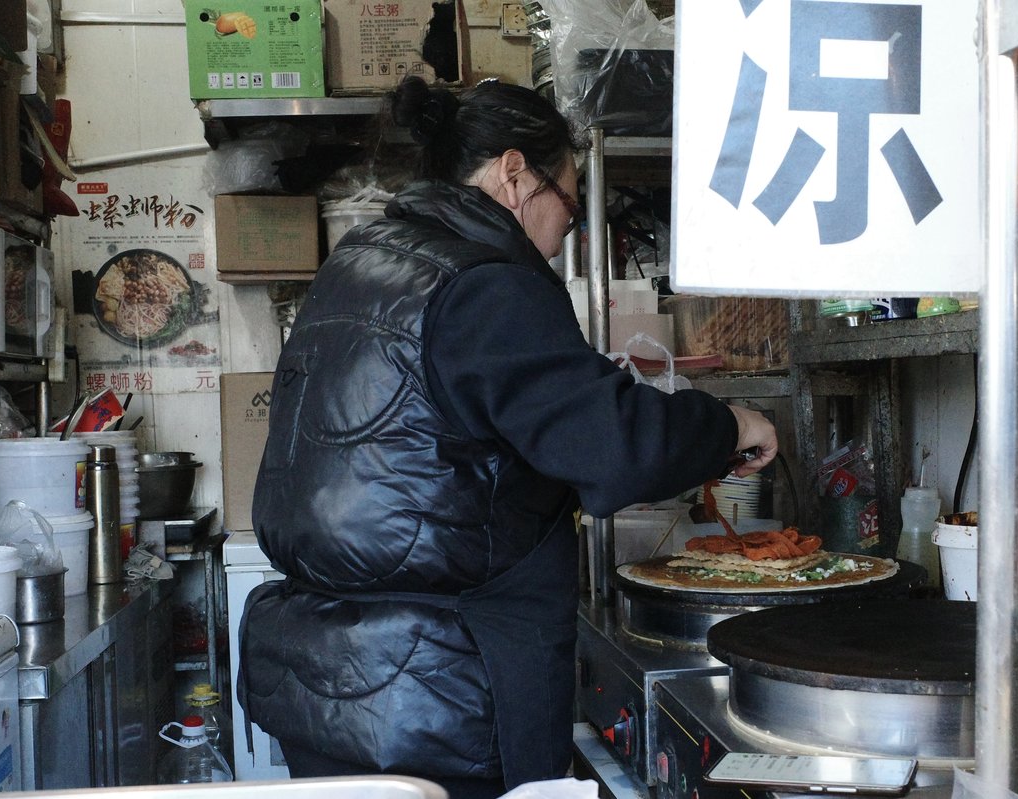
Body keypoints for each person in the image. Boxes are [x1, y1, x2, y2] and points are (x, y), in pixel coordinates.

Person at [237, 76, 778, 799]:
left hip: (329, 678)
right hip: (442, 690)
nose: (568, 233)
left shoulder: (359, 263)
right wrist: (731, 423)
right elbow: (611, 441)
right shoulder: (482, 284)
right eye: (570, 205)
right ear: (514, 174)